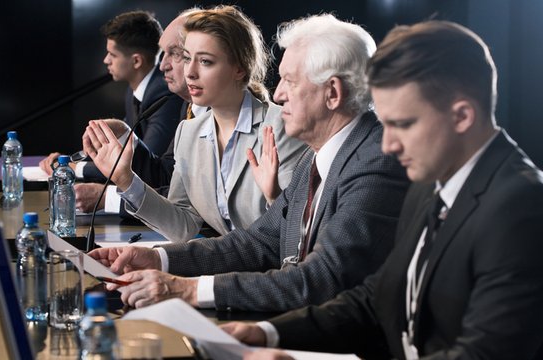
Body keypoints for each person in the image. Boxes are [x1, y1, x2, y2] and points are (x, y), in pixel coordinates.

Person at [223, 20, 543, 360]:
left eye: (402, 124)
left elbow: (483, 355)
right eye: (385, 124)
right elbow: (380, 298)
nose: (387, 145)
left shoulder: (522, 206)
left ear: (462, 116)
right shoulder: (428, 186)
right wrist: (268, 333)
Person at [88, 13, 409, 312]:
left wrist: (188, 289)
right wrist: (158, 259)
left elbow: (322, 279)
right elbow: (260, 242)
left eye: (290, 81)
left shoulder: (376, 160)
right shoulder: (317, 154)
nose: (278, 94)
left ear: (333, 93)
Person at [85, 5, 307, 242]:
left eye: (205, 62)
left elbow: (293, 230)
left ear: (239, 69)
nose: (190, 72)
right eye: (188, 58)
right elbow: (184, 225)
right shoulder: (188, 132)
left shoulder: (282, 127)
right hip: (227, 268)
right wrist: (127, 181)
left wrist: (274, 197)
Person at [38, 10, 184, 202]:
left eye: (112, 54)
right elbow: (117, 149)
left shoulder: (164, 93)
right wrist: (71, 160)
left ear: (136, 61)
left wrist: (75, 168)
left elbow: (147, 166)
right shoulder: (134, 91)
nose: (106, 60)